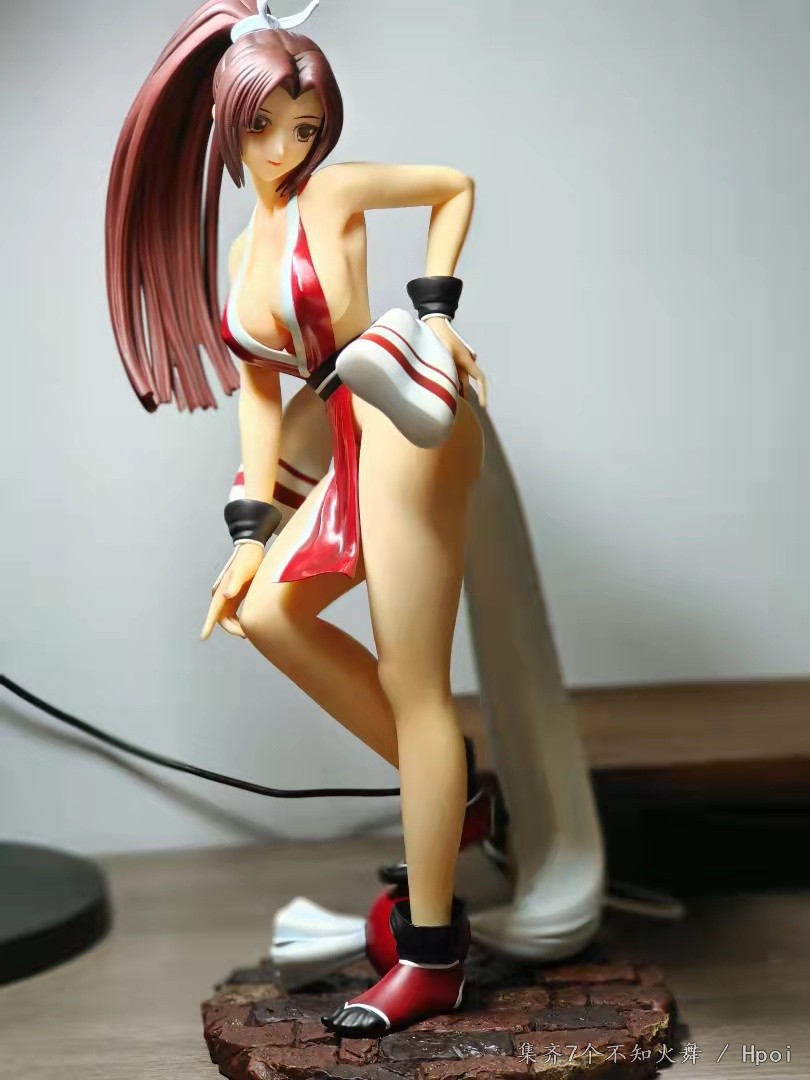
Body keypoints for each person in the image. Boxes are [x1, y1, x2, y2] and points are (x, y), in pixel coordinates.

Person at [105, 0, 488, 1038]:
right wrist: (247, 537)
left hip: (406, 431)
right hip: (348, 445)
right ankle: (455, 795)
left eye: (305, 128)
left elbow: (454, 186)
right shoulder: (244, 252)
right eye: (265, 126)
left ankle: (432, 959)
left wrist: (436, 315)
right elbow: (261, 403)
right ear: (227, 123)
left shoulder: (335, 192)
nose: (285, 149)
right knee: (268, 614)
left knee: (413, 681)